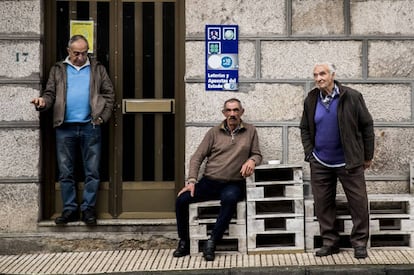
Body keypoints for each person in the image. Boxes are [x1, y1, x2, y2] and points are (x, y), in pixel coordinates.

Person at [31, 35, 115, 226]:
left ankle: (88, 210)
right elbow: (50, 94)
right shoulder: (58, 69)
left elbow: (109, 94)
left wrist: (102, 118)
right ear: (69, 51)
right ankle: (69, 209)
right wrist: (43, 103)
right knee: (66, 171)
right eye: (76, 53)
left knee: (92, 171)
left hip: (90, 126)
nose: (80, 57)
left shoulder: (97, 68)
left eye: (84, 53)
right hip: (64, 127)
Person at [300, 62, 375, 259]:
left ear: (332, 75)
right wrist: (310, 153)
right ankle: (330, 242)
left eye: (322, 74)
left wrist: (367, 156)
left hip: (349, 161)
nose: (318, 78)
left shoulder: (351, 96)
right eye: (315, 75)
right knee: (323, 204)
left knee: (358, 203)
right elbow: (304, 128)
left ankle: (359, 243)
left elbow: (367, 126)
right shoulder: (311, 98)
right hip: (320, 161)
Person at [173, 98, 262, 261]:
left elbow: (257, 154)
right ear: (224, 113)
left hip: (234, 183)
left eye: (236, 110)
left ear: (242, 112)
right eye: (229, 110)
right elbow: (196, 157)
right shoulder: (214, 132)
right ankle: (184, 242)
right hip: (210, 181)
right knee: (181, 200)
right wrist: (192, 180)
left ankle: (212, 242)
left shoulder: (250, 131)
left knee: (229, 199)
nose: (232, 114)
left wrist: (252, 160)